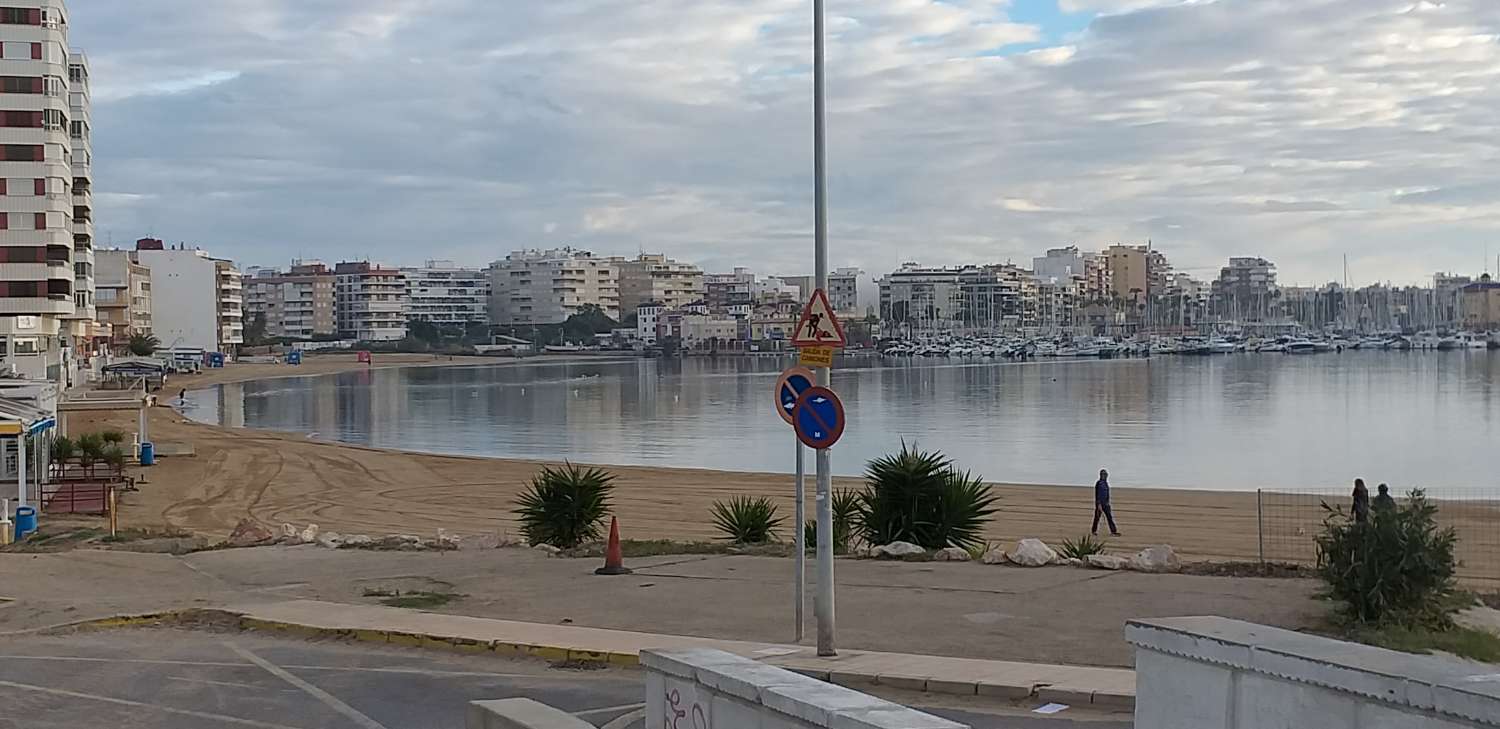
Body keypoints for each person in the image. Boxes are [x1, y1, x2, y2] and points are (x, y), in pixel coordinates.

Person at [1092, 469, 1121, 537]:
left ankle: (1113, 531)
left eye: (1105, 474)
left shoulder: (1106, 483)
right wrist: (1098, 504)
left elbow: (1107, 494)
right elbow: (1098, 494)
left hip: (1106, 504)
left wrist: (1108, 502)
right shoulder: (1099, 483)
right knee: (1097, 518)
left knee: (1109, 517)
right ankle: (1094, 531)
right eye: (1103, 474)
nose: (1104, 476)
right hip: (1100, 504)